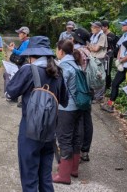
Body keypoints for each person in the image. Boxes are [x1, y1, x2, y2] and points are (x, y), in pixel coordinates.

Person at [5, 36, 68, 192]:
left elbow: (9, 94)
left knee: (29, 178)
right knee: (45, 177)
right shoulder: (58, 71)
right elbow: (64, 100)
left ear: (31, 54)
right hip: (50, 130)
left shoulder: (28, 70)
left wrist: (9, 78)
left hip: (30, 130)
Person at [53, 39, 86, 185]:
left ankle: (63, 176)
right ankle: (73, 169)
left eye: (56, 49)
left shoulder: (64, 65)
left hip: (66, 108)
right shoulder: (76, 62)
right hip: (79, 106)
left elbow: (61, 86)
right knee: (76, 137)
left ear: (61, 50)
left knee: (64, 138)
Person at [101, 19, 127, 115]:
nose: (122, 26)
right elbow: (120, 48)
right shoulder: (124, 36)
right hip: (123, 65)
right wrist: (118, 59)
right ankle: (110, 105)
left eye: (124, 25)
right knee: (115, 84)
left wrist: (121, 60)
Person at [71, 28, 93, 162]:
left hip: (80, 90)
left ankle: (77, 152)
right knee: (87, 120)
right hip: (88, 89)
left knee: (78, 120)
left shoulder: (77, 52)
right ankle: (85, 151)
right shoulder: (87, 50)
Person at [6, 26, 30, 107]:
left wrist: (13, 50)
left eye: (20, 33)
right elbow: (20, 51)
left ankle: (15, 97)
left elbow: (23, 53)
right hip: (21, 64)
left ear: (25, 34)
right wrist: (14, 48)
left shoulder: (27, 42)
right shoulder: (24, 42)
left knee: (20, 80)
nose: (18, 34)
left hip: (24, 64)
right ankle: (13, 96)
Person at [87, 21, 108, 102]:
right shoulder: (94, 36)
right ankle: (94, 95)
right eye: (92, 27)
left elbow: (96, 49)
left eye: (94, 27)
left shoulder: (102, 36)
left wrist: (91, 47)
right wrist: (91, 47)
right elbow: (89, 47)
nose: (92, 29)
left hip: (99, 59)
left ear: (99, 28)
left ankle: (99, 96)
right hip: (93, 58)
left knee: (100, 76)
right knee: (93, 76)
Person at [101, 20, 118, 90]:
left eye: (102, 27)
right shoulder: (101, 34)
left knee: (107, 70)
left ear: (106, 27)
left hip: (109, 55)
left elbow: (113, 46)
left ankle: (108, 86)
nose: (101, 28)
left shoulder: (111, 35)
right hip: (102, 54)